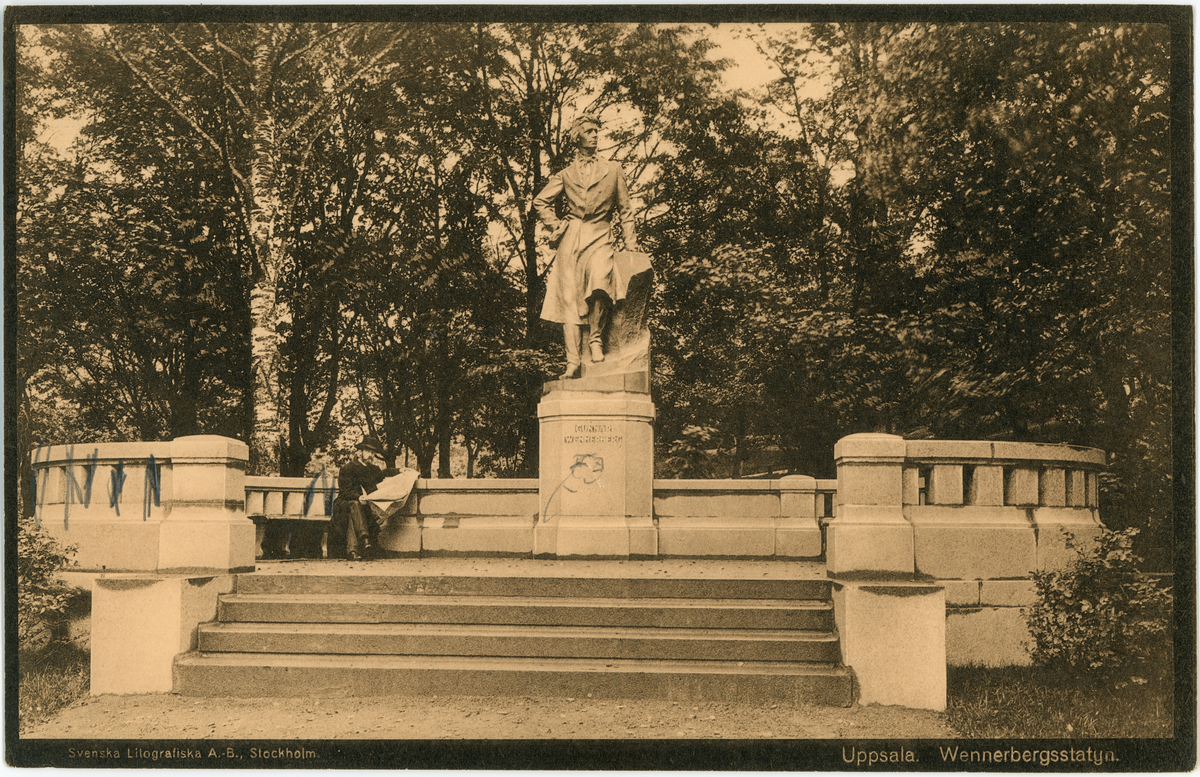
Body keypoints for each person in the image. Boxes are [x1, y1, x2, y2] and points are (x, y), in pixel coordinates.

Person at [533, 114, 639, 378]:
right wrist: (555, 225)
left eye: (596, 131)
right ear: (577, 137)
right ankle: (572, 361)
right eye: (589, 131)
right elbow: (540, 202)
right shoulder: (566, 174)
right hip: (572, 239)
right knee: (568, 298)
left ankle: (595, 339)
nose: (595, 135)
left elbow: (626, 212)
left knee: (601, 281)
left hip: (601, 233)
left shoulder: (613, 170)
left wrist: (632, 246)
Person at [329, 435, 395, 560]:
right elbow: (345, 491)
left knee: (353, 515)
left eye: (373, 452)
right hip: (343, 506)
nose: (372, 455)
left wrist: (402, 471)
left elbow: (386, 473)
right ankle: (365, 539)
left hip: (360, 510)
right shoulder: (347, 469)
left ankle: (352, 552)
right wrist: (359, 497)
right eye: (369, 451)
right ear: (360, 452)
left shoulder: (373, 469)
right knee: (354, 504)